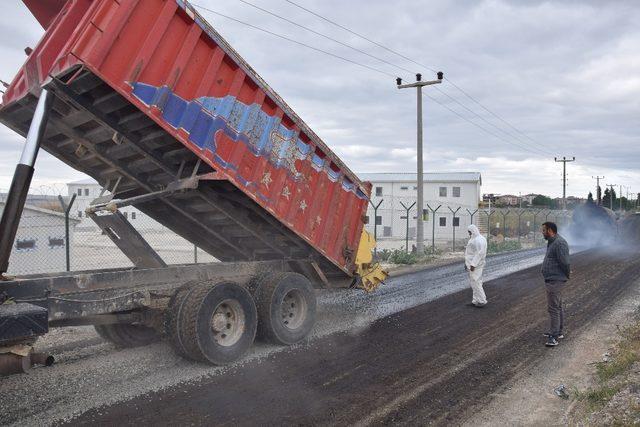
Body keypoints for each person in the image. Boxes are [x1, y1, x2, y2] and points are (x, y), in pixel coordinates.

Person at [541, 221, 570, 347]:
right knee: (557, 306)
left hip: (555, 280)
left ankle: (554, 336)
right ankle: (558, 331)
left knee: (553, 308)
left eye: (544, 230)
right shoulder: (552, 242)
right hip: (552, 279)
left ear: (550, 231)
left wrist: (565, 275)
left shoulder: (559, 243)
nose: (542, 232)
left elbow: (565, 263)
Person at [465, 224, 488, 307]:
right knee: (474, 282)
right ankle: (475, 301)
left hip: (476, 265)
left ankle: (482, 300)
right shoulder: (473, 239)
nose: (469, 234)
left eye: (469, 232)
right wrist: (467, 263)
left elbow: (480, 253)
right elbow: (469, 253)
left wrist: (473, 264)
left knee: (476, 282)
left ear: (473, 231)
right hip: (471, 264)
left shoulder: (479, 240)